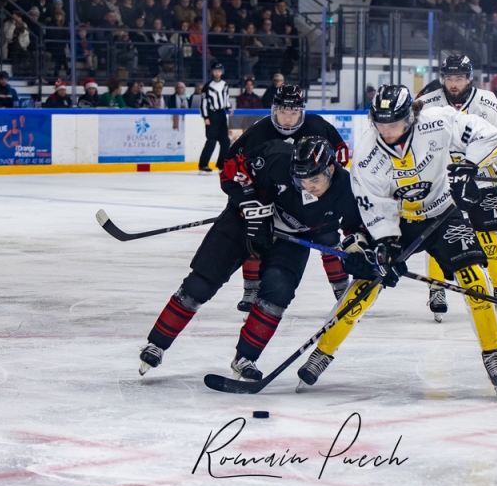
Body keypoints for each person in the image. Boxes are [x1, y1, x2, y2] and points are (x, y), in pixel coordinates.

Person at [301, 84, 497, 399]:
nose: (386, 131)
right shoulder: (366, 153)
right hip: (399, 221)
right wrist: (385, 246)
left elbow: (489, 135)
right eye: (380, 123)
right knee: (365, 284)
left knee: (475, 280)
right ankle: (323, 351)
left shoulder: (438, 120)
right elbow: (373, 206)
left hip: (444, 214)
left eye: (394, 123)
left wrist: (468, 167)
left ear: (410, 116)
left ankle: (493, 353)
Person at [137, 137, 362, 382]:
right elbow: (233, 170)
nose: (308, 186)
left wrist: (358, 252)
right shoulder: (277, 157)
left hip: (294, 238)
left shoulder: (347, 189)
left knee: (277, 294)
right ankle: (156, 344)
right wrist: (251, 207)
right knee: (202, 281)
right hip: (245, 221)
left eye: (314, 180)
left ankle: (246, 358)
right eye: (302, 180)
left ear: (330, 169)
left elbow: (355, 227)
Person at [415, 55, 497, 322]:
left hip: (481, 177)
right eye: (449, 78)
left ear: (469, 78)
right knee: (440, 235)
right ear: (443, 78)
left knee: (490, 239)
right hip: (442, 182)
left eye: (459, 78)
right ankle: (437, 288)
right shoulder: (428, 103)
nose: (454, 84)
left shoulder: (488, 102)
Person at [227, 84, 350, 313]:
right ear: (275, 109)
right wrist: (249, 197)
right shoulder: (261, 130)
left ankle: (343, 290)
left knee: (328, 237)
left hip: (312, 196)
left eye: (293, 112)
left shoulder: (317, 125)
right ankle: (252, 289)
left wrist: (326, 183)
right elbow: (233, 162)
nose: (287, 118)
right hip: (275, 200)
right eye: (283, 111)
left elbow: (341, 150)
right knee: (255, 233)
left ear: (301, 111)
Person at [198, 61, 233, 173]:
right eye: (215, 71)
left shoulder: (225, 85)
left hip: (222, 114)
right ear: (212, 72)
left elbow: (226, 98)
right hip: (212, 115)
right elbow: (203, 103)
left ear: (221, 72)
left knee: (225, 141)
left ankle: (221, 165)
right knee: (211, 140)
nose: (217, 73)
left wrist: (229, 107)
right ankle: (203, 165)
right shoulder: (207, 86)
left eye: (219, 71)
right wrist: (205, 117)